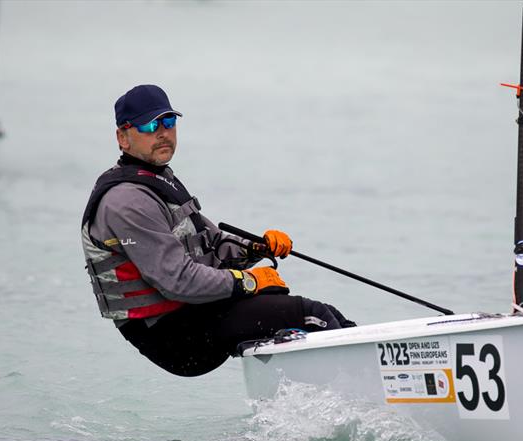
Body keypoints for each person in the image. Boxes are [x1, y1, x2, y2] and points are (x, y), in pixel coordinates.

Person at [82, 84, 353, 377]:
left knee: (323, 313)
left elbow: (212, 245)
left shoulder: (158, 182)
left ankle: (348, 383)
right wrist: (248, 282)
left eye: (169, 122)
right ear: (123, 137)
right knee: (312, 315)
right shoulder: (126, 201)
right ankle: (364, 387)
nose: (162, 132)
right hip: (171, 335)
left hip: (194, 312)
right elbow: (178, 280)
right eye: (149, 125)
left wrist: (256, 248)